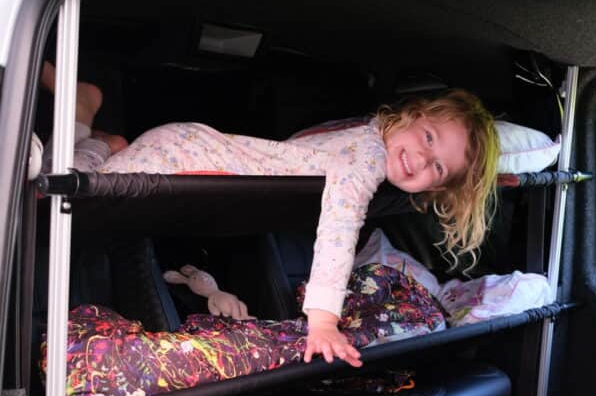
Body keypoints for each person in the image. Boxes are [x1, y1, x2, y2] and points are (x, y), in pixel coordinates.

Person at [41, 62, 499, 368]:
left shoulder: (365, 136)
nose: (420, 159)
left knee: (78, 185)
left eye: (438, 167)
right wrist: (322, 319)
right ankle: (85, 115)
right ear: (412, 116)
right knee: (58, 189)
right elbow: (340, 225)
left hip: (190, 148)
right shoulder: (365, 157)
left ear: (439, 186)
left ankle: (101, 140)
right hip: (182, 155)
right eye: (428, 138)